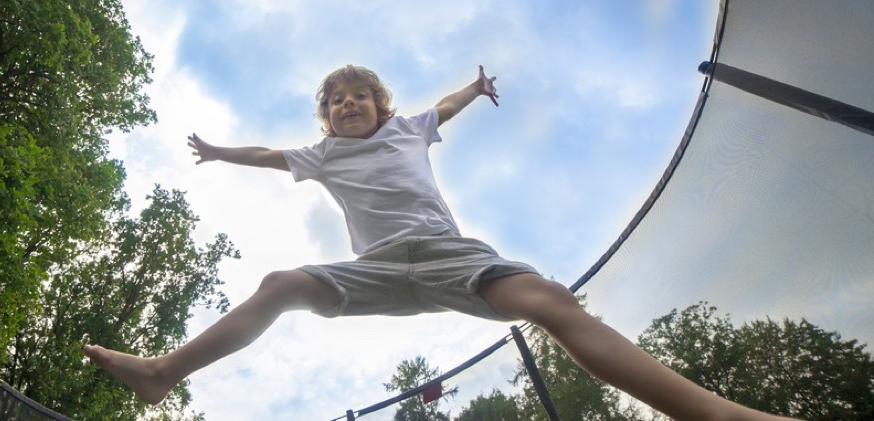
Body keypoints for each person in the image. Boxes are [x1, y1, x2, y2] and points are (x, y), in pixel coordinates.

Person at [84, 65, 794, 420]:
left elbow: (444, 106)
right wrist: (217, 151)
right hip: (376, 270)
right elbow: (271, 153)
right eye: (333, 101)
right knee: (281, 285)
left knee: (547, 297)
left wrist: (475, 87)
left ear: (382, 106)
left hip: (451, 256)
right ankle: (162, 372)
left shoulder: (406, 128)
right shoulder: (321, 154)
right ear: (324, 119)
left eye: (358, 95)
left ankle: (713, 413)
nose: (346, 105)